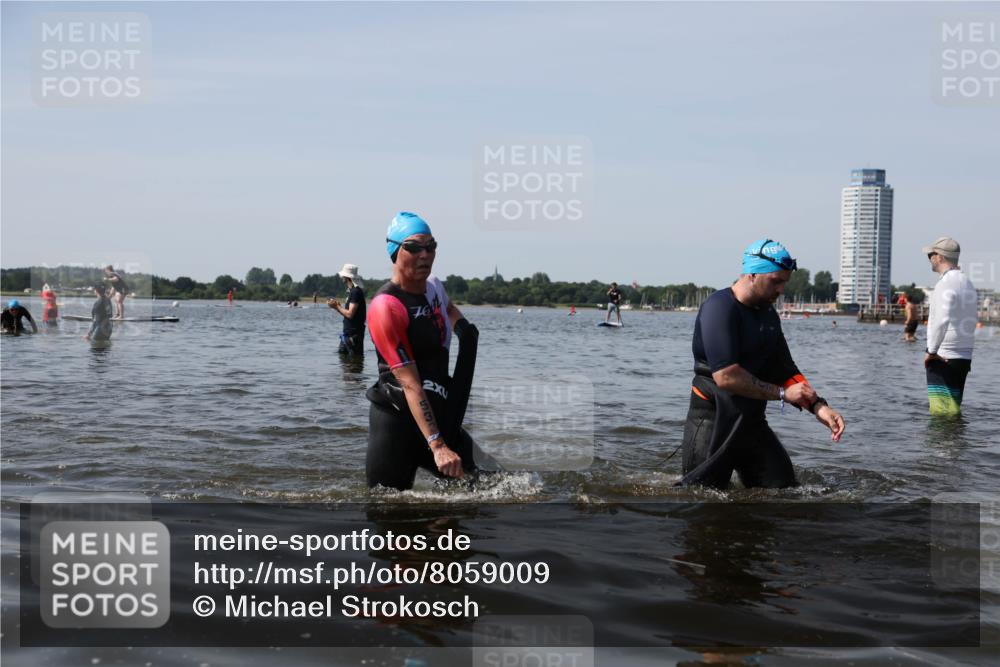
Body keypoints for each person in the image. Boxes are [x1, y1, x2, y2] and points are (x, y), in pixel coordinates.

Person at [678, 239, 846, 489]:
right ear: (753, 274)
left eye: (784, 282)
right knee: (702, 499)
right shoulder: (719, 308)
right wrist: (781, 394)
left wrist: (819, 407)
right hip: (711, 419)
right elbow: (726, 376)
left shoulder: (768, 315)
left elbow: (786, 370)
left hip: (751, 421)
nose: (781, 290)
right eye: (776, 281)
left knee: (784, 489)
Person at [365, 212, 481, 490]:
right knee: (391, 515)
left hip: (439, 416)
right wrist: (438, 445)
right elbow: (410, 383)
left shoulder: (434, 288)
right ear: (394, 250)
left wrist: (462, 327)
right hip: (397, 423)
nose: (425, 254)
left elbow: (448, 307)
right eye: (414, 247)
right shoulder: (386, 307)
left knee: (495, 485)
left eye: (431, 247)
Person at [922, 237, 977, 417]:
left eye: (931, 254)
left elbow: (941, 320)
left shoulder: (944, 284)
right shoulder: (967, 283)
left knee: (941, 415)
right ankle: (957, 445)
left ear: (940, 257)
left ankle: (943, 446)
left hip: (943, 356)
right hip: (963, 356)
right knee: (952, 412)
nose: (929, 258)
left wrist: (931, 351)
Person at [328, 263, 367, 356]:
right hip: (348, 335)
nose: (342, 277)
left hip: (353, 337)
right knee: (346, 367)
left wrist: (336, 307)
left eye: (343, 276)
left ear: (347, 277)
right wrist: (337, 307)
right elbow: (349, 314)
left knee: (353, 367)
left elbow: (350, 314)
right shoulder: (353, 292)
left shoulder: (355, 292)